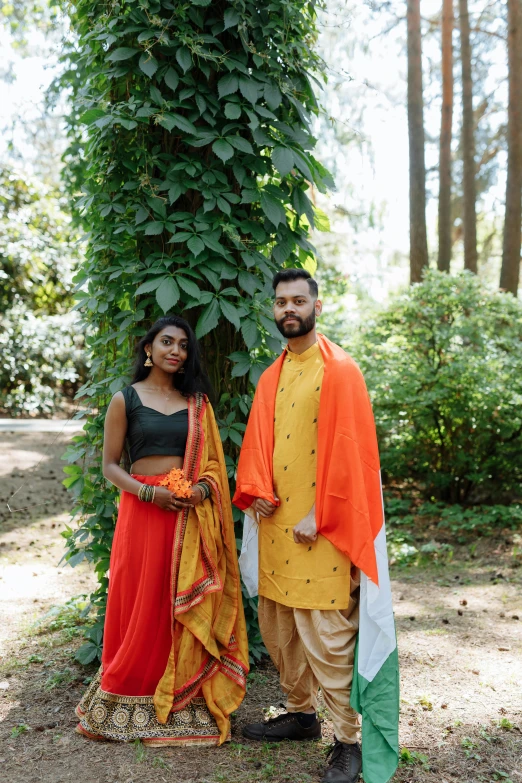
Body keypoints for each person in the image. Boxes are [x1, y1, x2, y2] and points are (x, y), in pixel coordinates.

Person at [234, 270, 399, 783]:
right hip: (277, 526)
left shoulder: (341, 369)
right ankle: (301, 713)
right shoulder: (271, 374)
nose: (289, 308)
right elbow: (261, 443)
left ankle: (348, 739)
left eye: (298, 300)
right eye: (281, 301)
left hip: (321, 528)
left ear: (317, 307)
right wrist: (257, 490)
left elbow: (352, 453)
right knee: (280, 629)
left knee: (328, 636)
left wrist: (319, 514)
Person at [76, 315, 249, 746]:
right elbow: (110, 466)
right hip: (142, 511)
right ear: (148, 349)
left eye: (184, 345)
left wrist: (201, 492)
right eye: (167, 342)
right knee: (141, 599)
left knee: (171, 602)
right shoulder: (126, 399)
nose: (176, 351)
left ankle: (180, 695)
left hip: (187, 516)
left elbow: (211, 467)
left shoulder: (198, 404)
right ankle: (127, 693)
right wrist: (148, 494)